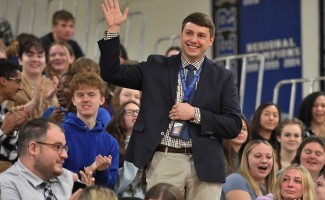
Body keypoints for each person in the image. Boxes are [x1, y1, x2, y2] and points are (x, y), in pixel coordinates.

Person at [98, 1, 242, 199]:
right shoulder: (156, 66)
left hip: (206, 163)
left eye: (201, 35)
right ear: (181, 35)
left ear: (211, 40)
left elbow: (233, 125)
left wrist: (195, 114)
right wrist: (113, 29)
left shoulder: (223, 77)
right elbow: (111, 72)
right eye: (189, 33)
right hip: (165, 157)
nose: (194, 40)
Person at [0, 118, 94, 200]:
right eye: (57, 147)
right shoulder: (7, 184)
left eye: (64, 148)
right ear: (34, 148)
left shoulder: (67, 177)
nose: (65, 155)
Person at [62, 72, 119, 189]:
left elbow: (110, 188)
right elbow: (52, 176)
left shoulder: (111, 142)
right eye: (80, 95)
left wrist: (102, 172)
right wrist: (86, 170)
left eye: (91, 94)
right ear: (73, 100)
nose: (85, 99)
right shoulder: (60, 133)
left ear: (102, 100)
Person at [5, 34, 58, 119]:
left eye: (40, 56)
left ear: (46, 62)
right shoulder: (11, 82)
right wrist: (34, 102)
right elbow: (6, 115)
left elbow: (58, 118)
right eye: (30, 55)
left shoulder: (51, 84)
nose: (35, 59)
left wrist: (52, 99)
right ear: (20, 60)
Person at [107, 101, 145, 198]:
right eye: (130, 112)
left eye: (138, 112)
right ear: (120, 116)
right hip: (119, 194)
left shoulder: (148, 143)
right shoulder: (111, 142)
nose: (135, 115)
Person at [0, 58, 29, 172]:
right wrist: (4, 131)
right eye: (18, 81)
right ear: (3, 80)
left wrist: (15, 129)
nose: (21, 87)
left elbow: (13, 156)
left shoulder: (5, 113)